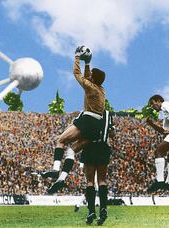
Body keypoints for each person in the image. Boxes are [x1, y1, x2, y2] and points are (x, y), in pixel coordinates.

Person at [43, 46, 106, 194]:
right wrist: (88, 64)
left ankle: (54, 170)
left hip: (88, 120)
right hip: (97, 127)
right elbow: (88, 76)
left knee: (61, 140)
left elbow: (76, 73)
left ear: (93, 79)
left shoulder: (90, 87)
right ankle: (62, 179)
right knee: (71, 150)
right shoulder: (101, 90)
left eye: (91, 75)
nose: (89, 75)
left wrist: (77, 57)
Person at [82, 109, 115, 225]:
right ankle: (103, 209)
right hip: (103, 147)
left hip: (89, 146)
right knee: (102, 180)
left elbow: (80, 130)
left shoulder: (85, 112)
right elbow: (112, 134)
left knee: (90, 181)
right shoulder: (107, 114)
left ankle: (91, 211)